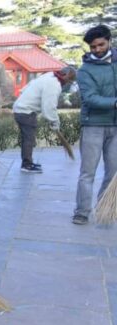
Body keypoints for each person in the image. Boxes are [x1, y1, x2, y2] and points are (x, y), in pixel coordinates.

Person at [73, 25, 117, 225]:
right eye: (93, 47)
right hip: (93, 125)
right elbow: (90, 98)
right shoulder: (85, 70)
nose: (97, 49)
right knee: (87, 172)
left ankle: (105, 207)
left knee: (114, 171)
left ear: (109, 41)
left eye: (101, 44)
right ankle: (82, 212)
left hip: (115, 126)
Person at [13, 67, 77, 174]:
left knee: (27, 138)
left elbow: (25, 88)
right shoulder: (54, 84)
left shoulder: (49, 75)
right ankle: (26, 165)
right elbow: (49, 107)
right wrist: (55, 122)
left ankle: (28, 162)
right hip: (26, 111)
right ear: (66, 76)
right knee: (29, 139)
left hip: (20, 109)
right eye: (69, 80)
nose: (67, 83)